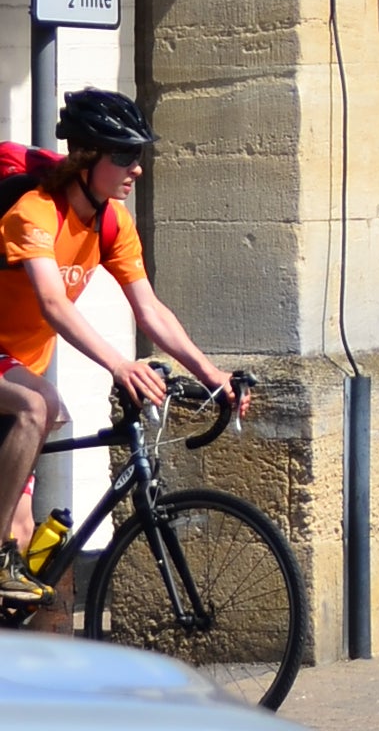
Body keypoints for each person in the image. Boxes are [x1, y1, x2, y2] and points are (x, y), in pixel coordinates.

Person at [0, 89, 240, 612]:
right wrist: (118, 363)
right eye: (125, 156)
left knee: (20, 544)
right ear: (88, 158)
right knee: (40, 404)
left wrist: (209, 373)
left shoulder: (111, 222)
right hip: (10, 369)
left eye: (140, 157)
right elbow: (51, 303)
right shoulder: (34, 213)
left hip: (17, 367)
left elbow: (149, 309)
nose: (137, 170)